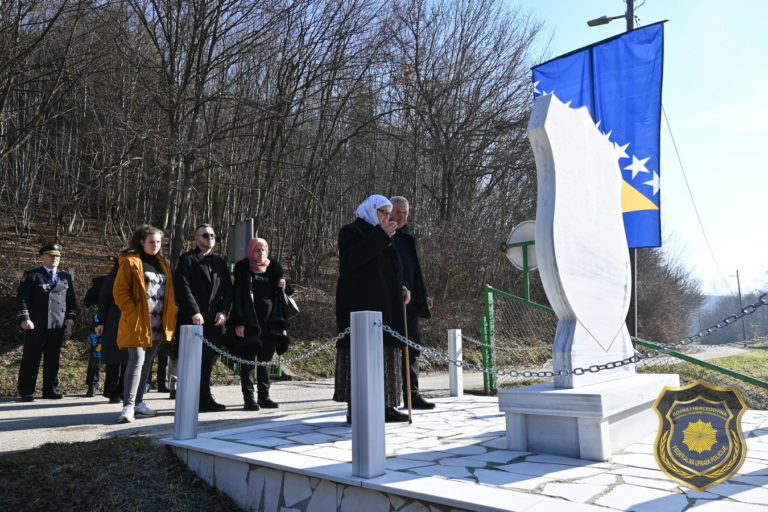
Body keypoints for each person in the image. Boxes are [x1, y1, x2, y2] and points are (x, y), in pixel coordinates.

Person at [334, 195, 411, 423]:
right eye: (383, 212)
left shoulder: (386, 235)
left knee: (386, 355)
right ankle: (356, 407)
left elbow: (391, 268)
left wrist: (402, 286)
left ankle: (387, 405)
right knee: (360, 357)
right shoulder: (351, 231)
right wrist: (380, 236)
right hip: (360, 305)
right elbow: (353, 261)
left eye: (389, 213)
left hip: (387, 305)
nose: (387, 217)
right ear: (370, 210)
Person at [113, 225, 177, 423]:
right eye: (151, 242)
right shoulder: (131, 262)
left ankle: (139, 402)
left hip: (158, 322)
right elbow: (120, 291)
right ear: (141, 242)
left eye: (158, 242)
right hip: (138, 322)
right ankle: (128, 406)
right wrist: (132, 311)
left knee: (147, 363)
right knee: (136, 360)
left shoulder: (163, 263)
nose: (155, 245)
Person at [175, 223, 233, 412]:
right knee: (191, 362)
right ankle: (189, 400)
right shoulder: (187, 259)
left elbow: (227, 289)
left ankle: (205, 398)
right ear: (196, 238)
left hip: (213, 321)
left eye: (213, 235)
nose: (210, 238)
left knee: (208, 361)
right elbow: (183, 288)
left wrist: (223, 311)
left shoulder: (220, 262)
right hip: (192, 320)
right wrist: (194, 311)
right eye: (206, 235)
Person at [227, 238, 290, 411]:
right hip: (250, 322)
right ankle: (249, 399)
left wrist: (284, 286)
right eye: (257, 250)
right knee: (248, 362)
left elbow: (284, 295)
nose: (261, 253)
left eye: (263, 250)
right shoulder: (243, 269)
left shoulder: (273, 268)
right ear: (251, 252)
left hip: (270, 323)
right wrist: (239, 322)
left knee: (265, 362)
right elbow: (238, 298)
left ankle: (264, 397)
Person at [390, 196, 435, 410]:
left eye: (405, 213)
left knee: (413, 348)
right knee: (392, 350)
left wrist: (422, 295)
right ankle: (390, 397)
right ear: (389, 212)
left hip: (411, 303)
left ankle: (412, 395)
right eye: (397, 212)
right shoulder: (383, 234)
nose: (401, 217)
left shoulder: (409, 237)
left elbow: (415, 270)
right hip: (390, 302)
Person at [16, 243, 77, 401]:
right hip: (36, 324)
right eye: (51, 255)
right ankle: (26, 390)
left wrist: (71, 316)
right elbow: (22, 299)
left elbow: (71, 299)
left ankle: (50, 390)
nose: (54, 258)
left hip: (57, 324)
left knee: (53, 359)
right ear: (43, 257)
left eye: (57, 256)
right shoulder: (32, 275)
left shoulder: (65, 276)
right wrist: (25, 318)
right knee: (31, 358)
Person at [95, 256, 128, 403]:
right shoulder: (113, 276)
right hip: (114, 319)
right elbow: (103, 300)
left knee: (129, 357)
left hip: (131, 320)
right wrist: (101, 322)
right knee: (114, 357)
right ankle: (111, 391)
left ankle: (125, 391)